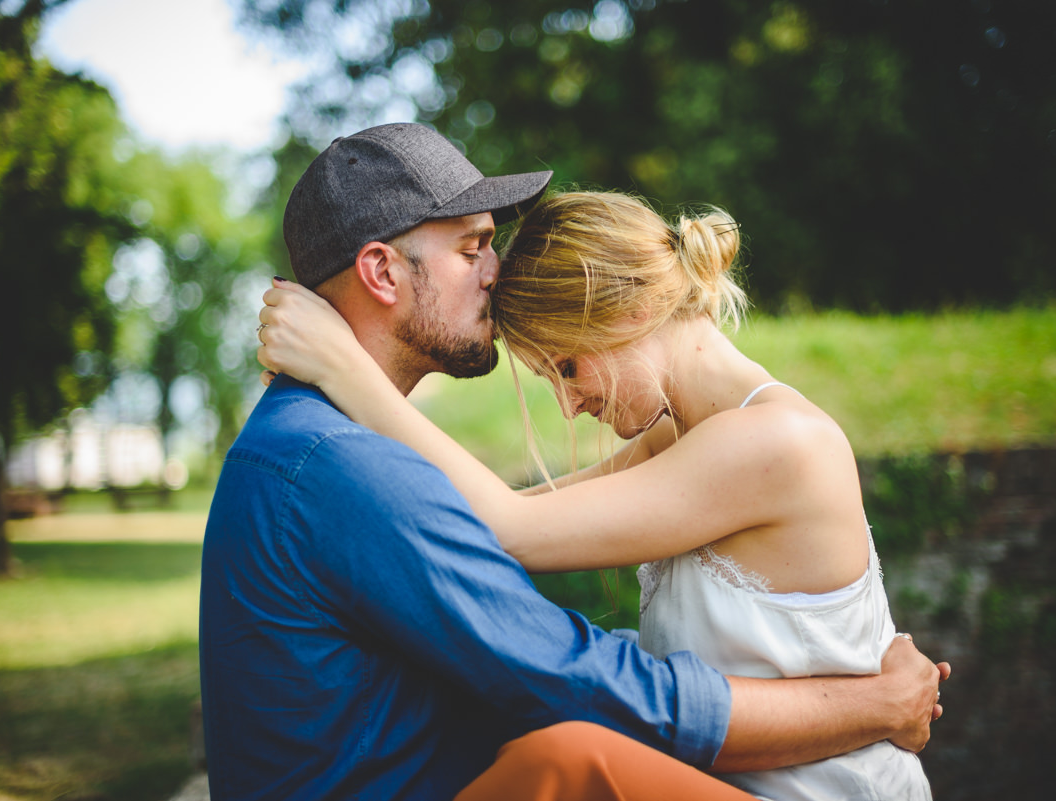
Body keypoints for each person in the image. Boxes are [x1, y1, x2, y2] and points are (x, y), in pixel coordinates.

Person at [202, 122, 946, 801]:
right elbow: (519, 566)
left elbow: (512, 543)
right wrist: (871, 703)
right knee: (566, 761)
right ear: (383, 272)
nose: (493, 269)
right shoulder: (337, 461)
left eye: (565, 365)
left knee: (567, 761)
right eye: (471, 247)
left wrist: (347, 372)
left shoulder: (763, 441)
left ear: (620, 309)